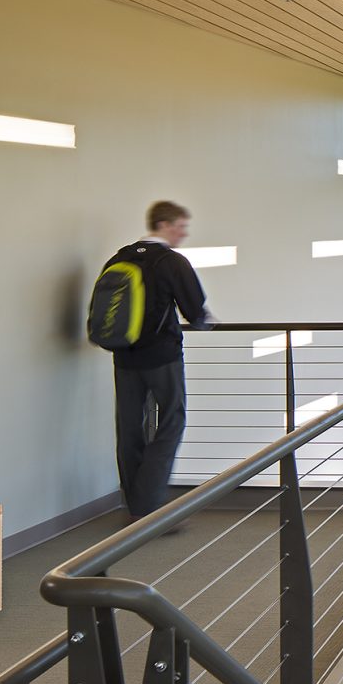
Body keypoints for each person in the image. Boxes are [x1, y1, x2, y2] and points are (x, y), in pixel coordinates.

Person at [103, 201, 216, 518]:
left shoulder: (120, 257)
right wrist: (205, 320)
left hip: (124, 358)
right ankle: (150, 508)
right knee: (171, 422)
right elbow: (194, 312)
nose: (184, 233)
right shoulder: (172, 262)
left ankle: (136, 504)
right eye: (181, 226)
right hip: (162, 357)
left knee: (129, 430)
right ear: (164, 225)